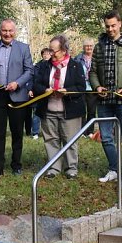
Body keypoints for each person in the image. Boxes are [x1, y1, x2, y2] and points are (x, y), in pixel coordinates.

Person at [90, 10, 122, 191]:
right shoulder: (99, 46)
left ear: (120, 24)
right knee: (105, 137)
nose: (110, 29)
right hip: (104, 101)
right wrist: (97, 87)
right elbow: (93, 72)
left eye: (113, 25)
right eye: (107, 26)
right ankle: (114, 169)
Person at [0, 18, 33, 179]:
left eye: (10, 31)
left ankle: (16, 165)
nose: (7, 34)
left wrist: (17, 83)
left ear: (15, 31)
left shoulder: (24, 48)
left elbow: (29, 71)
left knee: (17, 133)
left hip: (18, 97)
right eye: (4, 30)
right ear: (0, 31)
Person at [32, 35, 86, 179]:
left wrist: (67, 91)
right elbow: (35, 84)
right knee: (51, 139)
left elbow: (81, 88)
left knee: (70, 140)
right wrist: (44, 90)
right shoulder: (43, 65)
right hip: (48, 109)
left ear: (63, 50)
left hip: (70, 110)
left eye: (54, 51)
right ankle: (54, 168)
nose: (51, 54)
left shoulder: (76, 65)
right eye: (50, 50)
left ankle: (71, 168)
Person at [29, 46, 54, 139]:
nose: (46, 55)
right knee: (36, 113)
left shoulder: (54, 65)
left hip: (51, 93)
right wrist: (30, 89)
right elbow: (33, 79)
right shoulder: (37, 66)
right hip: (38, 93)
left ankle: (48, 132)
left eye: (48, 53)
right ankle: (35, 132)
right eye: (44, 54)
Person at [74, 38, 98, 136]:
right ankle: (83, 132)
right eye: (87, 46)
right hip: (81, 88)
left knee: (92, 111)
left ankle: (90, 131)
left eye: (90, 46)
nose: (89, 48)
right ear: (83, 47)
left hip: (93, 88)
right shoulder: (78, 58)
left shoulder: (97, 58)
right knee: (82, 111)